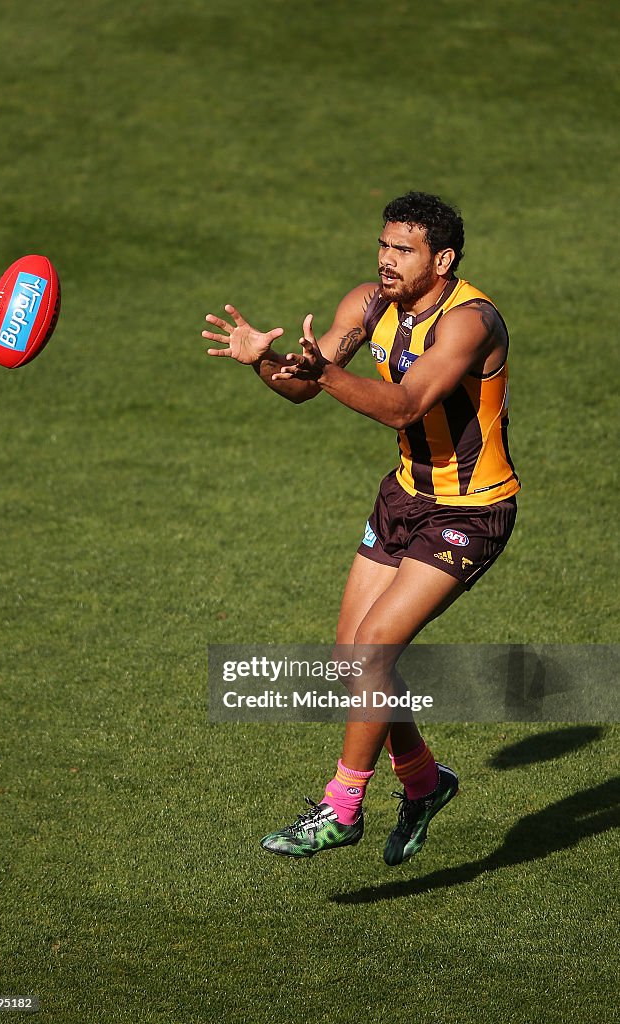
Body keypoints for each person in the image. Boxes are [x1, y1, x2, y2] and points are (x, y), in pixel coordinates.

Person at [202, 191, 520, 865]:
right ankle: (425, 784)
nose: (386, 260)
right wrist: (263, 360)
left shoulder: (470, 322)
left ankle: (341, 809)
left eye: (403, 250)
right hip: (403, 497)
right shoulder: (368, 304)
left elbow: (405, 406)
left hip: (471, 511)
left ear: (443, 259)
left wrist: (326, 374)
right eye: (383, 245)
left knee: (375, 647)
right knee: (355, 658)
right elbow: (301, 385)